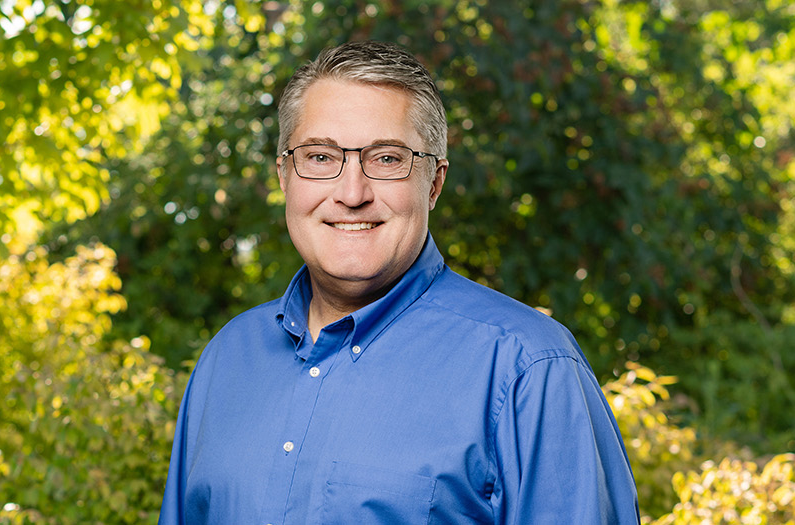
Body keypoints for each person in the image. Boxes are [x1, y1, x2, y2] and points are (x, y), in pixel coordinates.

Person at [159, 40, 639, 524]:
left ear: (433, 183)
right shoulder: (226, 360)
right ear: (285, 175)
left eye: (386, 159)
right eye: (321, 157)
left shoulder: (527, 367)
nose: (352, 193)